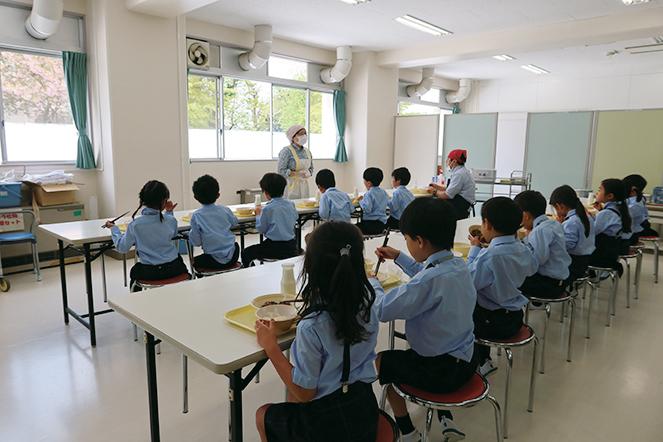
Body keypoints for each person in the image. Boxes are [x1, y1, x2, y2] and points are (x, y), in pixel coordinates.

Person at [255, 222, 380, 442]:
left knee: (262, 414)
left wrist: (271, 348)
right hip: (364, 411)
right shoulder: (370, 303)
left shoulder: (311, 326)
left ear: (312, 268)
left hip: (327, 425)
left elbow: (305, 393)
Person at [374, 198, 477, 442]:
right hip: (468, 360)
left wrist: (373, 283)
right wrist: (399, 256)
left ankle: (408, 432)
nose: (407, 244)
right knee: (423, 349)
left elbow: (382, 309)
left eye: (407, 240)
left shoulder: (428, 282)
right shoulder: (459, 266)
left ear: (420, 241)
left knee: (383, 361)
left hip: (442, 372)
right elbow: (428, 273)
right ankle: (445, 416)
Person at [467, 197, 537, 376]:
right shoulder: (523, 249)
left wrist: (474, 250)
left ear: (487, 224)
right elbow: (531, 269)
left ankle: (477, 362)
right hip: (514, 318)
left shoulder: (489, 256)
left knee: (463, 310)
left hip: (490, 323)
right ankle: (484, 359)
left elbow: (469, 283)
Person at [106, 180, 189, 290]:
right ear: (164, 201)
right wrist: (169, 212)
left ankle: (137, 304)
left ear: (142, 201)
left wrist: (114, 229)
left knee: (134, 271)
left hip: (149, 272)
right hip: (175, 268)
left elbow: (122, 248)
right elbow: (172, 233)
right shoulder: (171, 220)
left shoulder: (135, 225)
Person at [515, 190, 571, 299]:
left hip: (549, 284)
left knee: (507, 278)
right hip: (560, 281)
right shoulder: (552, 223)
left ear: (526, 215)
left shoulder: (539, 231)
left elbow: (534, 263)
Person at [242, 173, 299, 267]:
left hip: (274, 248)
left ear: (266, 193)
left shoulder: (267, 209)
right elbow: (295, 217)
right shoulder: (290, 204)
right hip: (291, 246)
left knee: (246, 253)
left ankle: (251, 272)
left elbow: (261, 229)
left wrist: (258, 215)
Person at [188, 174, 240, 270]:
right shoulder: (225, 210)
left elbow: (196, 242)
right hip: (233, 256)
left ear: (195, 197)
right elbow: (235, 222)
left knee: (194, 261)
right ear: (218, 195)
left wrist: (191, 232)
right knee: (235, 245)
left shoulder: (196, 216)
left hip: (212, 259)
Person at [550, 185, 596, 284]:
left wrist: (558, 227)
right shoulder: (586, 217)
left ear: (560, 206)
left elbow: (565, 246)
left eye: (555, 208)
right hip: (585, 261)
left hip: (573, 265)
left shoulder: (571, 222)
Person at [590, 178, 632, 271]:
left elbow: (591, 233)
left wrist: (586, 217)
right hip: (612, 253)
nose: (597, 192)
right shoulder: (619, 208)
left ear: (610, 196)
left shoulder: (606, 213)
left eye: (600, 190)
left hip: (600, 255)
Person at [429, 149, 476, 220]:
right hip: (461, 205)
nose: (447, 162)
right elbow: (452, 188)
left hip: (459, 208)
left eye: (448, 160)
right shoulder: (463, 171)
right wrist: (436, 187)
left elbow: (447, 195)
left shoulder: (459, 174)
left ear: (454, 161)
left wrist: (434, 191)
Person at [277, 124, 314, 200]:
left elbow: (311, 168)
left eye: (305, 133)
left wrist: (309, 173)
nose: (304, 136)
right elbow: (281, 171)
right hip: (291, 186)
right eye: (300, 134)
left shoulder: (307, 152)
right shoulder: (286, 151)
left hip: (304, 185)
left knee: (304, 206)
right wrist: (296, 174)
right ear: (293, 137)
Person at [623, 174, 658, 243]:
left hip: (633, 233)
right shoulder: (633, 200)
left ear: (633, 189)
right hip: (632, 231)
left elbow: (624, 216)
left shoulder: (636, 204)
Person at [357, 167, 389, 235]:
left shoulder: (369, 194)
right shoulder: (384, 192)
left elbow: (367, 209)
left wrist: (361, 201)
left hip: (370, 225)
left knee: (352, 228)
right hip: (382, 225)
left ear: (368, 183)